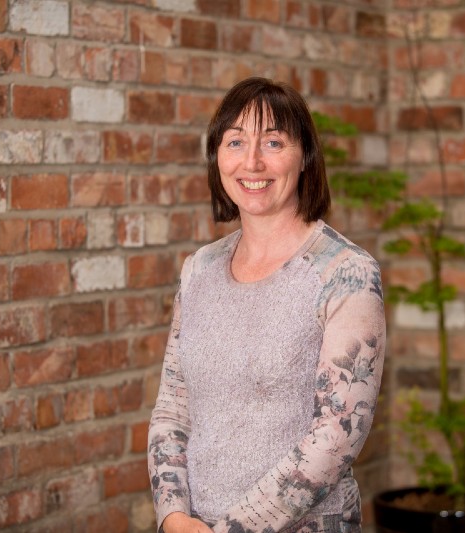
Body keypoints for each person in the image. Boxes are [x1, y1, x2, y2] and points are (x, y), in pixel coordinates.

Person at [147, 77, 386, 533]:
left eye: (273, 141)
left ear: (305, 159)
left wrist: (232, 530)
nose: (252, 161)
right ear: (217, 156)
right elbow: (172, 410)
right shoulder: (198, 269)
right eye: (235, 141)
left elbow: (337, 436)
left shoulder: (346, 272)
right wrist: (174, 516)